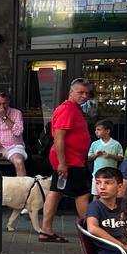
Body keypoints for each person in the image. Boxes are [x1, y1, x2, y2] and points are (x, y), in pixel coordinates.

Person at [39, 78, 94, 243]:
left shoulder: (74, 109)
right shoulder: (68, 109)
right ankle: (89, 232)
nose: (84, 96)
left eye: (87, 93)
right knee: (82, 193)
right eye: (80, 92)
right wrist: (63, 163)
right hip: (70, 160)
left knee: (55, 192)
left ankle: (46, 230)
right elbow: (59, 137)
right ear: (71, 92)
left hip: (70, 159)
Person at [85, 167, 127, 254]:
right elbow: (92, 228)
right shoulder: (95, 206)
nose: (102, 187)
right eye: (98, 183)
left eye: (108, 183)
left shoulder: (124, 205)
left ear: (120, 186)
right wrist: (120, 245)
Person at [0, 92, 27, 177]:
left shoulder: (17, 113)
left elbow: (18, 132)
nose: (1, 106)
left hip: (13, 146)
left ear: (8, 102)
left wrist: (4, 117)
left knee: (19, 162)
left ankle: (22, 189)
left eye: (4, 103)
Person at [87, 120, 124, 194]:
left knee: (111, 194)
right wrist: (97, 155)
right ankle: (95, 206)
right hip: (97, 174)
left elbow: (121, 157)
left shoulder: (116, 144)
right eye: (96, 130)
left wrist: (110, 155)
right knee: (96, 195)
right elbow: (89, 157)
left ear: (107, 131)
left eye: (99, 129)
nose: (96, 132)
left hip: (111, 175)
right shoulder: (95, 144)